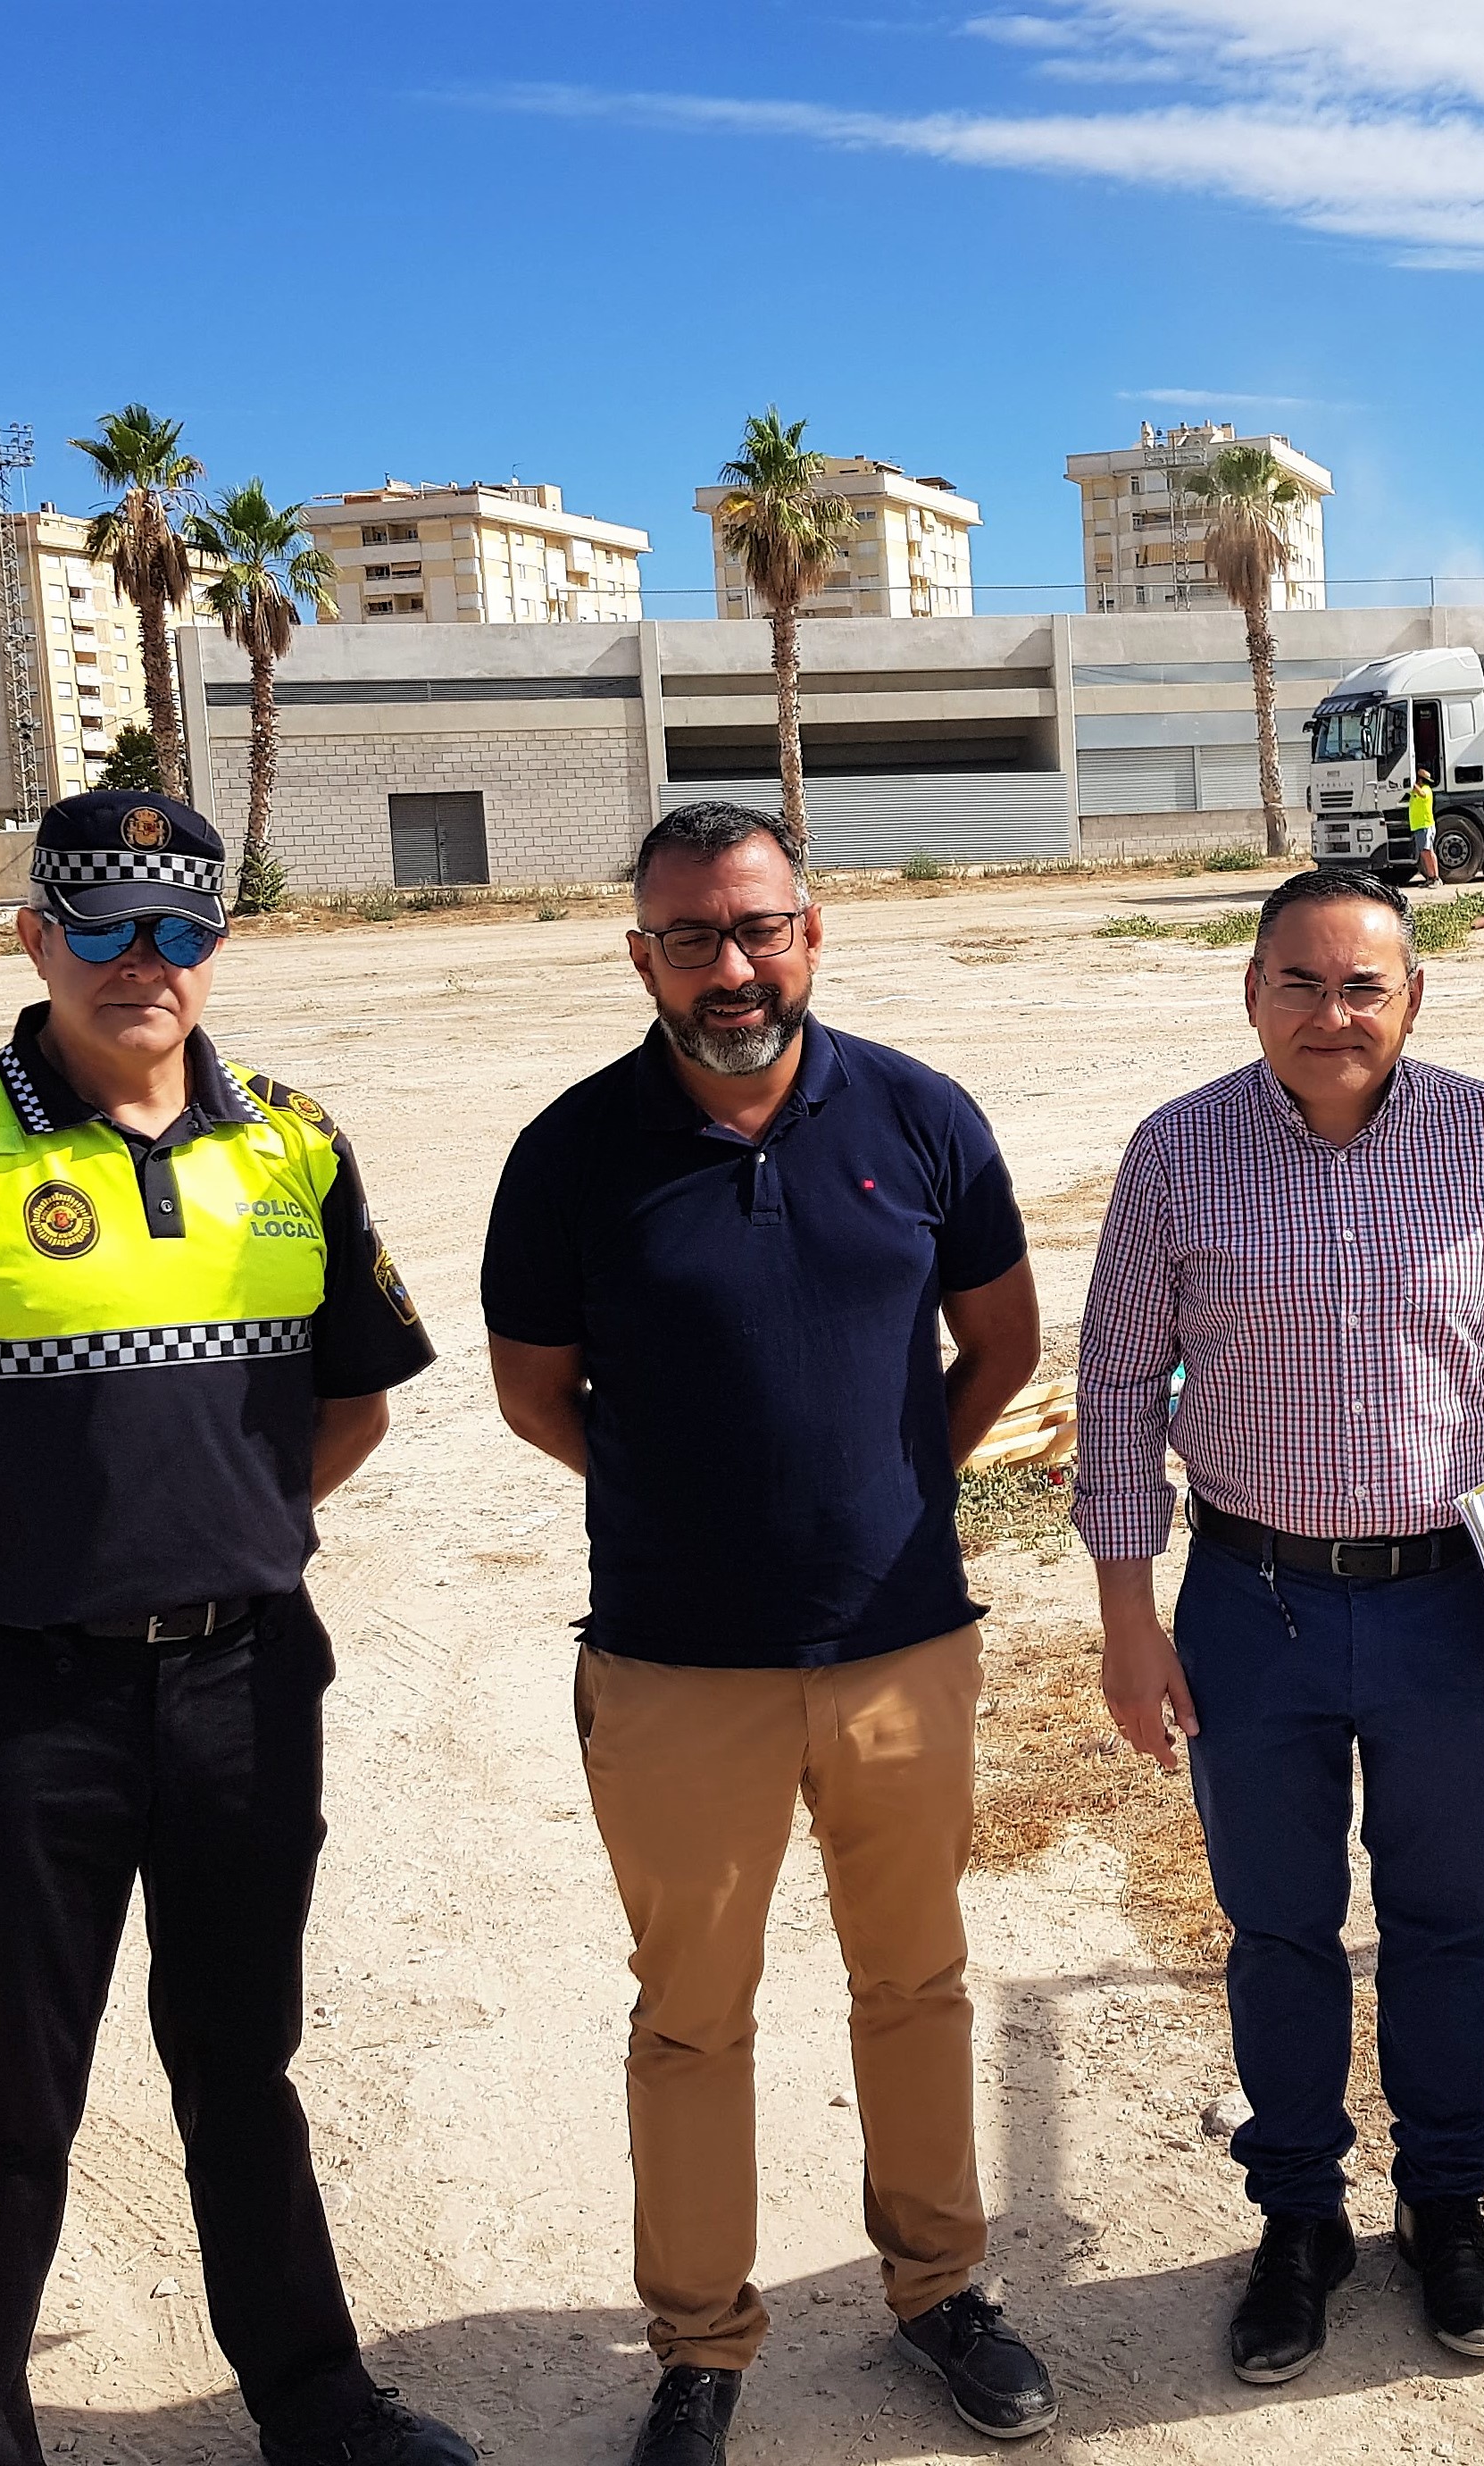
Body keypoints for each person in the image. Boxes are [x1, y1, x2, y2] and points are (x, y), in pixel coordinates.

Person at [0, 790, 472, 2466]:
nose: (139, 963)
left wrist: (232, 1537)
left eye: (176, 928)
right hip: (26, 1703)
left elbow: (356, 1404)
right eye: (100, 925)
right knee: (11, 2102)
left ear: (218, 944)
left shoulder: (290, 1142)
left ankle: (314, 2401)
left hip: (247, 1682)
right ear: (35, 936)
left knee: (245, 2064)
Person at [481, 800, 1059, 2465]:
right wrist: (683, 1497)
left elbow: (1001, 1347)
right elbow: (536, 1392)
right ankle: (701, 2343)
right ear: (642, 956)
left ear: (813, 928)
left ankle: (941, 2287)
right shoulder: (573, 1150)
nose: (730, 968)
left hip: (899, 1646)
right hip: (672, 1669)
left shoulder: (921, 1116)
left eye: (756, 929)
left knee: (916, 1978)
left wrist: (889, 1487)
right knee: (689, 2014)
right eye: (690, 938)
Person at [1076, 867, 1484, 2384]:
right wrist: (1130, 1617)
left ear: (1412, 996)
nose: (1334, 1014)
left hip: (1452, 1605)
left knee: (1446, 1915)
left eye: (1363, 985)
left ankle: (1447, 2206)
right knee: (1278, 1924)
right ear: (1251, 993)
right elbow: (1119, 1390)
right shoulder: (1178, 1154)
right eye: (1301, 984)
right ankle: (1300, 2216)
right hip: (1250, 1609)